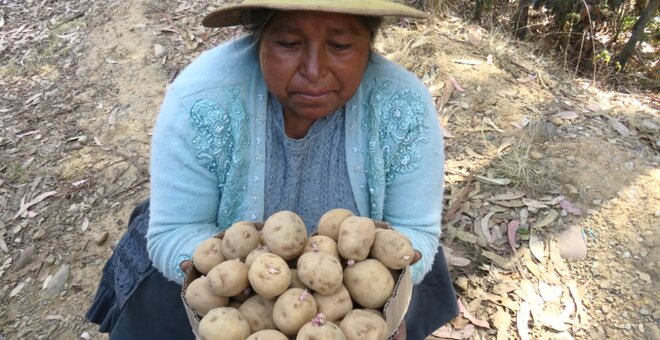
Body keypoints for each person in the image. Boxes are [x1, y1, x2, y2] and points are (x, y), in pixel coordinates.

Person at [86, 1, 459, 339]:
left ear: (370, 44)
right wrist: (221, 285)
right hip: (227, 283)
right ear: (257, 37)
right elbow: (176, 229)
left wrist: (384, 305)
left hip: (354, 285)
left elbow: (415, 231)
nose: (314, 71)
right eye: (289, 44)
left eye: (341, 46)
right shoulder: (201, 99)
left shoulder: (403, 106)